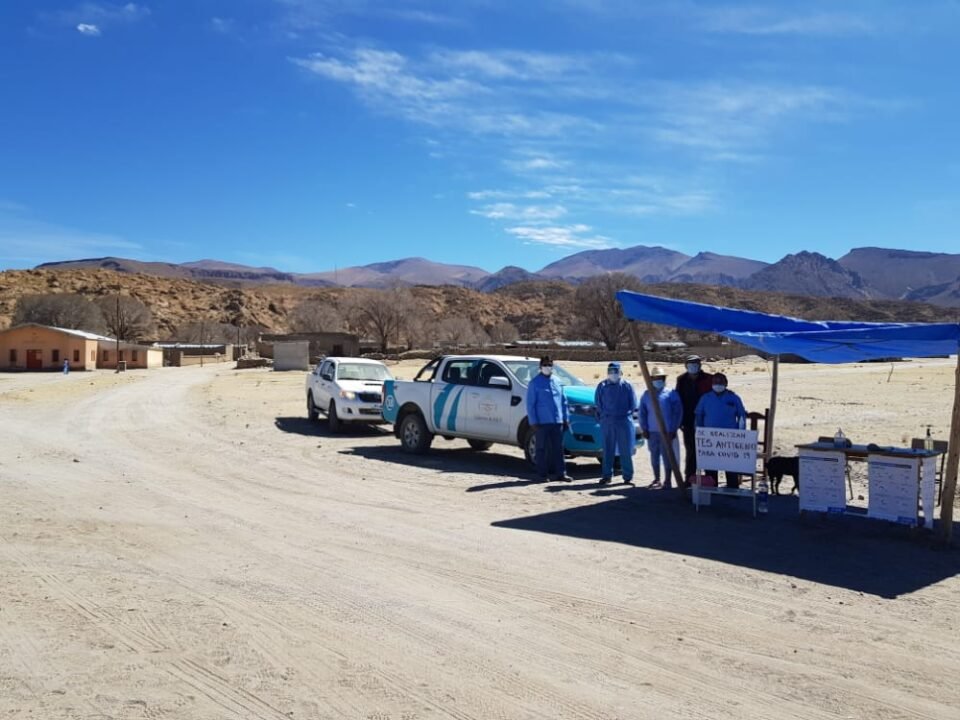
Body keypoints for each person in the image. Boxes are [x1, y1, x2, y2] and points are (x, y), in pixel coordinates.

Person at [694, 372, 748, 488]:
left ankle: (732, 489)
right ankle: (712, 488)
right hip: (710, 439)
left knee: (730, 466)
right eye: (715, 382)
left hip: (729, 438)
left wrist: (741, 434)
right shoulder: (705, 398)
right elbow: (699, 415)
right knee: (711, 466)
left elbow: (742, 416)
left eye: (721, 382)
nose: (718, 384)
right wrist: (699, 432)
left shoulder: (733, 398)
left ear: (726, 384)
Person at [526, 356, 572, 482]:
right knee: (541, 448)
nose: (548, 367)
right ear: (540, 367)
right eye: (545, 365)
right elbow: (530, 405)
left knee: (558, 449)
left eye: (550, 365)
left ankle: (561, 474)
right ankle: (542, 474)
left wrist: (566, 418)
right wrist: (533, 421)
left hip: (557, 422)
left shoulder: (557, 381)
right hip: (542, 422)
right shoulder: (534, 383)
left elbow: (563, 401)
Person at [639, 366, 683, 489]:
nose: (658, 380)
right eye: (655, 378)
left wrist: (674, 429)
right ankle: (656, 478)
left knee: (667, 456)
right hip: (652, 431)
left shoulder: (671, 394)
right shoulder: (647, 394)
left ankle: (667, 480)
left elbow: (677, 412)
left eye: (660, 378)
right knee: (654, 456)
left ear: (664, 379)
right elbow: (642, 413)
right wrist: (645, 428)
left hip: (667, 431)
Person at [594, 362, 638, 485]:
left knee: (625, 450)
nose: (613, 374)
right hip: (607, 422)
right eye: (610, 371)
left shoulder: (627, 386)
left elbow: (633, 403)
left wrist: (625, 415)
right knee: (608, 450)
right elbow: (598, 404)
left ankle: (627, 476)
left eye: (615, 371)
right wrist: (603, 417)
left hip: (623, 421)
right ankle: (607, 475)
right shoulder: (602, 386)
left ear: (620, 372)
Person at [676, 354, 713, 484]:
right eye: (690, 364)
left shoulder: (709, 379)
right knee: (691, 450)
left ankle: (711, 479)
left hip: (706, 420)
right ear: (686, 366)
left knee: (708, 450)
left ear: (700, 365)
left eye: (695, 364)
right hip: (688, 420)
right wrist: (680, 421)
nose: (693, 366)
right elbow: (678, 401)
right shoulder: (681, 380)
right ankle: (690, 478)